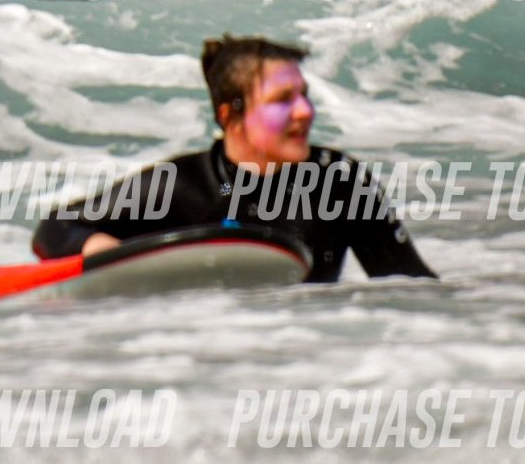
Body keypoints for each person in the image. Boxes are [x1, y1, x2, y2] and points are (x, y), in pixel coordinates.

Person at [32, 34, 436, 283]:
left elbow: (412, 286)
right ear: (231, 117)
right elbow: (56, 228)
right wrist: (99, 246)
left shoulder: (338, 182)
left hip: (311, 355)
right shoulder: (183, 185)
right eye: (283, 100)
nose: (305, 111)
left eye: (304, 95)